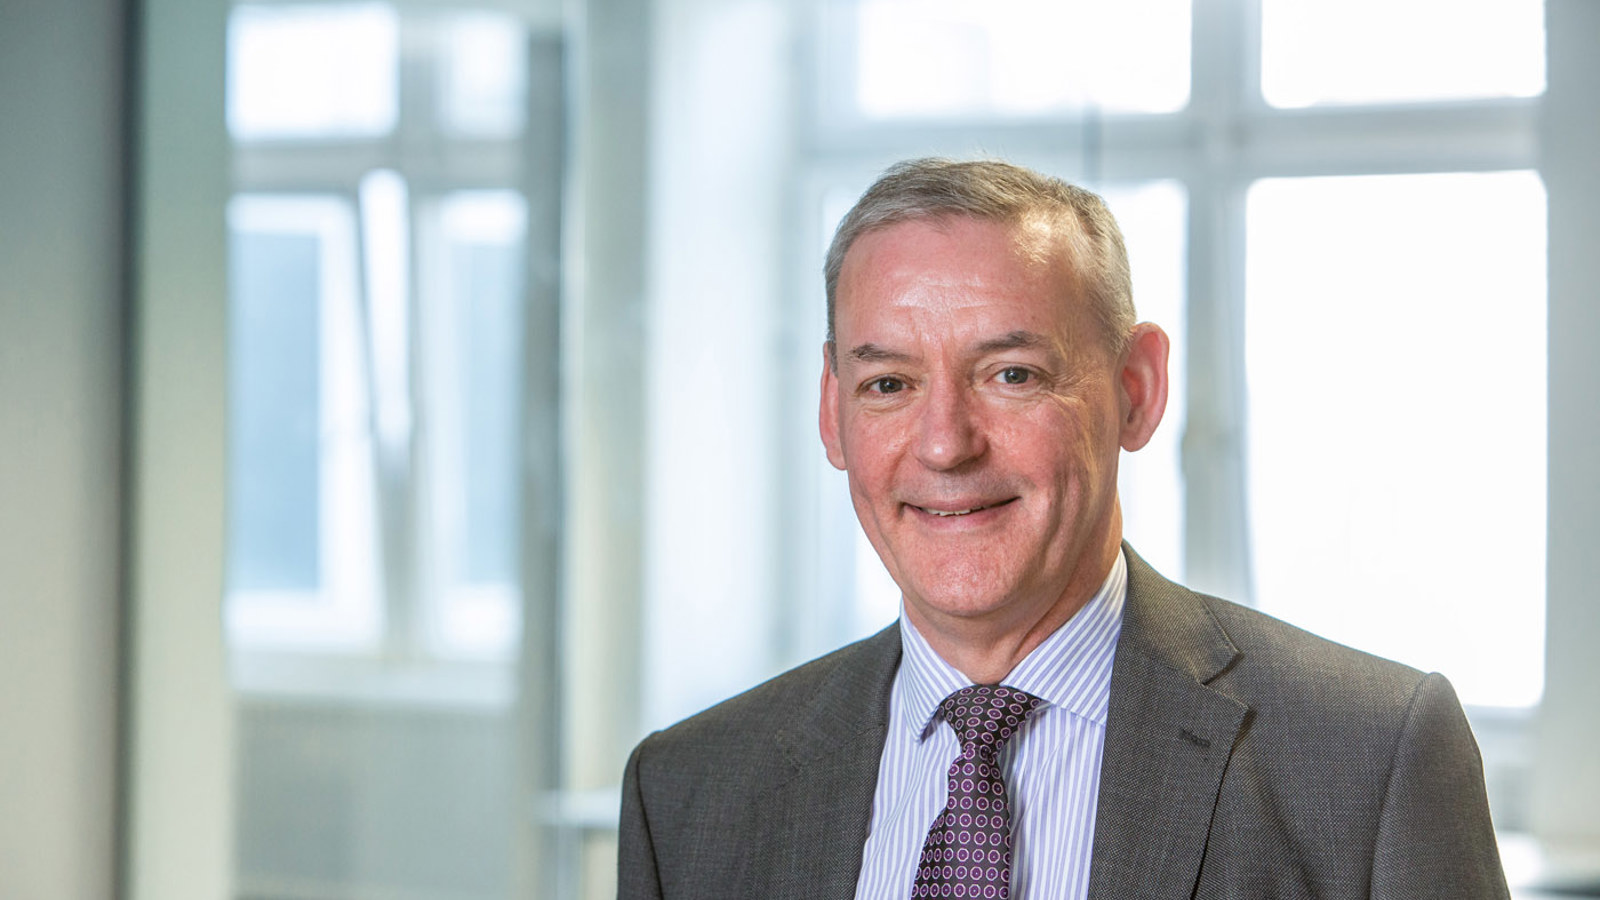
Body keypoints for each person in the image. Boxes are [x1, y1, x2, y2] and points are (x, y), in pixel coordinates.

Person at [617, 158, 1509, 900]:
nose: (944, 445)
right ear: (831, 412)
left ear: (1136, 390)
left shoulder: (1366, 762)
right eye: (888, 384)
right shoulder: (690, 794)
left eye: (1010, 374)